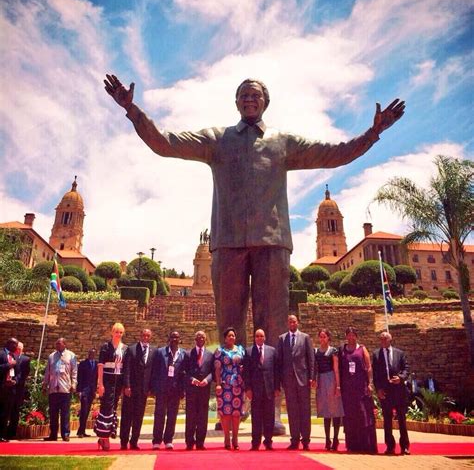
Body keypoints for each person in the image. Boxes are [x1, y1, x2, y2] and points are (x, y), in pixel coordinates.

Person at [103, 74, 405, 346]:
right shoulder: (216, 140)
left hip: (272, 243)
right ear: (236, 103)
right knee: (229, 332)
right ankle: (232, 396)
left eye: (255, 95)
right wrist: (132, 110)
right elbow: (165, 143)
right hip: (228, 243)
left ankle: (270, 397)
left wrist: (373, 132)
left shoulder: (283, 143)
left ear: (266, 102)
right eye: (244, 95)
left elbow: (335, 153)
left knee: (273, 331)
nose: (249, 99)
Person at [277, 315, 315, 450]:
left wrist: (312, 377)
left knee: (305, 411)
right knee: (292, 411)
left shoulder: (305, 338)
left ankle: (306, 440)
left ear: (297, 322)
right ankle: (294, 440)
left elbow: (311, 359)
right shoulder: (282, 339)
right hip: (289, 381)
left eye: (294, 321)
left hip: (303, 380)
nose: (292, 323)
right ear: (287, 323)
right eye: (289, 321)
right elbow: (279, 362)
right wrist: (280, 380)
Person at [339, 327, 377, 454]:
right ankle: (352, 445)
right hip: (347, 390)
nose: (350, 337)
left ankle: (365, 445)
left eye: (352, 335)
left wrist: (370, 383)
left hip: (361, 388)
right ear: (346, 336)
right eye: (348, 335)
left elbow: (369, 367)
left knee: (363, 415)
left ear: (356, 336)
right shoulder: (342, 350)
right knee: (350, 417)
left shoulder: (362, 349)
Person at [372, 331, 410, 455]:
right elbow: (375, 374)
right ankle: (390, 446)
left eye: (385, 338)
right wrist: (378, 389)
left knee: (401, 419)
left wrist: (400, 378)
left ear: (390, 339)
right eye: (381, 338)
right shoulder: (376, 354)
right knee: (387, 420)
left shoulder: (400, 353)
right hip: (385, 391)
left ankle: (404, 446)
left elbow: (406, 369)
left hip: (399, 390)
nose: (383, 340)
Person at [151, 330, 188, 450]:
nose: (175, 339)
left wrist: (183, 390)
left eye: (177, 337)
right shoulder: (160, 352)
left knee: (172, 415)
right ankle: (156, 440)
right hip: (162, 389)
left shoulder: (183, 354)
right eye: (172, 337)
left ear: (179, 339)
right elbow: (154, 371)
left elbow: (184, 374)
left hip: (175, 390)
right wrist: (153, 388)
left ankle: (168, 440)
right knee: (159, 415)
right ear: (169, 339)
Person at [244, 329, 280, 451]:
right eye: (257, 336)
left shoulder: (272, 351)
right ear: (255, 338)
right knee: (256, 417)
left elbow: (276, 371)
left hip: (269, 390)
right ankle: (255, 443)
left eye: (261, 336)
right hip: (255, 390)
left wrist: (276, 388)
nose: (259, 338)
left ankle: (268, 441)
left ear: (265, 338)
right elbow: (246, 372)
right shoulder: (249, 352)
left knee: (269, 417)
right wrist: (248, 388)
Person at [120, 329, 155, 450]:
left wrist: (151, 388)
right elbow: (127, 369)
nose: (145, 337)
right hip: (131, 389)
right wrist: (127, 386)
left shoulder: (153, 351)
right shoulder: (132, 349)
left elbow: (153, 372)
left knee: (138, 417)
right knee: (127, 416)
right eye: (144, 335)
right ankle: (124, 442)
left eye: (148, 335)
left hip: (144, 390)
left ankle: (134, 441)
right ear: (140, 336)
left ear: (150, 337)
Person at [95, 323, 128, 451]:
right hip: (107, 379)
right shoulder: (106, 347)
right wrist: (100, 384)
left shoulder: (124, 348)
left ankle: (106, 434)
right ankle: (103, 437)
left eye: (120, 332)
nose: (118, 334)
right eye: (116, 332)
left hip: (118, 380)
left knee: (113, 407)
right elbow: (101, 366)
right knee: (106, 407)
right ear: (112, 332)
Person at [214, 327, 246, 450]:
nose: (231, 337)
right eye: (229, 336)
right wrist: (217, 384)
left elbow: (244, 364)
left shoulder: (241, 349)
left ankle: (236, 438)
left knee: (236, 413)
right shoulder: (220, 351)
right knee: (225, 412)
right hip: (224, 385)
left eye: (233, 335)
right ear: (225, 338)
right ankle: (227, 437)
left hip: (238, 385)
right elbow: (217, 368)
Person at [313, 329, 344, 451]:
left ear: (328, 338)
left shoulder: (333, 351)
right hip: (321, 380)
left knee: (335, 410)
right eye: (320, 337)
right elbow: (314, 368)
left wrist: (338, 386)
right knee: (325, 411)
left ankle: (336, 439)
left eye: (324, 337)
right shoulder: (316, 352)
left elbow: (336, 369)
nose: (322, 339)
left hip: (331, 379)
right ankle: (327, 439)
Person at [43, 338, 78, 442]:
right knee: (53, 413)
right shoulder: (51, 356)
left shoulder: (71, 356)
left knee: (65, 413)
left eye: (59, 343)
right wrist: (45, 385)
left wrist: (74, 384)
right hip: (53, 389)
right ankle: (53, 434)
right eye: (56, 343)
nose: (57, 345)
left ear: (64, 344)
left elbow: (74, 371)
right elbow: (47, 372)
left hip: (65, 389)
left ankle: (65, 434)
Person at [185, 330, 214, 450]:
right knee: (191, 416)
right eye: (198, 337)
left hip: (204, 389)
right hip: (192, 390)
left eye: (203, 337)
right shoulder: (188, 354)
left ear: (205, 339)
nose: (201, 339)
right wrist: (192, 379)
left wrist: (207, 380)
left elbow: (213, 372)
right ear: (195, 339)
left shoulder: (210, 355)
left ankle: (200, 442)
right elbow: (184, 372)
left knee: (203, 416)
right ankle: (190, 442)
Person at [7, 341, 30, 440]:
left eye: (20, 349)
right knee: (6, 410)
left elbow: (25, 374)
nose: (18, 350)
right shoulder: (10, 357)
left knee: (15, 412)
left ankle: (12, 432)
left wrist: (16, 381)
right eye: (17, 348)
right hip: (8, 389)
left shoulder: (25, 359)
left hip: (18, 389)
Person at [0, 338, 19, 442]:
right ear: (8, 344)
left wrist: (15, 380)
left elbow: (18, 373)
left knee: (6, 413)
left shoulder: (14, 357)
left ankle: (2, 435)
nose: (16, 346)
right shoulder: (1, 354)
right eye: (14, 344)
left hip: (10, 389)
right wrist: (8, 365)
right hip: (1, 387)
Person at [76, 348, 98, 438]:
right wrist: (79, 390)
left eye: (93, 353)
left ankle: (82, 431)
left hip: (92, 391)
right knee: (84, 410)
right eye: (90, 353)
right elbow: (79, 377)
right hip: (84, 390)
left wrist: (95, 390)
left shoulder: (97, 364)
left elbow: (96, 378)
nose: (91, 355)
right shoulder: (83, 364)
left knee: (87, 411)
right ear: (88, 354)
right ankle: (80, 431)